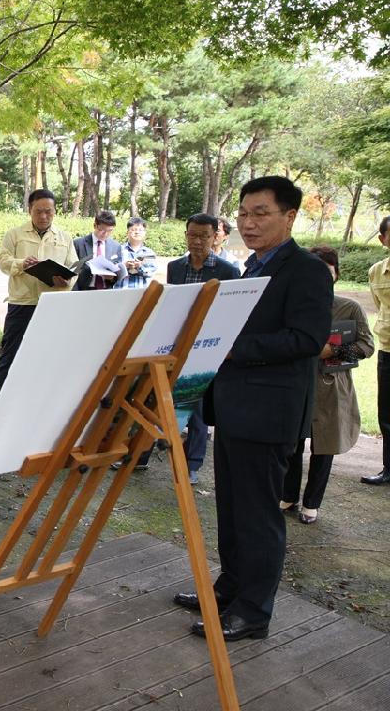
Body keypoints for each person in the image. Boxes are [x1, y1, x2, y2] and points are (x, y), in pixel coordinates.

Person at [175, 176, 331, 642]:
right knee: (232, 507)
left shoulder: (306, 271)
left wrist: (230, 348)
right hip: (236, 409)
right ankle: (229, 588)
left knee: (260, 515)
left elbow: (307, 340)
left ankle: (254, 612)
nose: (249, 222)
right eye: (243, 214)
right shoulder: (251, 269)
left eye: (261, 213)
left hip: (270, 414)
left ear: (290, 216)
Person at [280, 246, 373, 523]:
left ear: (336, 274)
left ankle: (312, 504)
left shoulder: (349, 307)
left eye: (328, 270)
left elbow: (366, 346)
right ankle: (288, 495)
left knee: (324, 447)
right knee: (292, 444)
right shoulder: (294, 305)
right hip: (298, 383)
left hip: (331, 387)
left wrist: (331, 351)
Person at [159, 213, 240, 481]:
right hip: (178, 341)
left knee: (199, 404)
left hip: (207, 345)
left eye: (203, 236)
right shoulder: (176, 266)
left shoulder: (228, 271)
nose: (197, 241)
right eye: (192, 235)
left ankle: (192, 464)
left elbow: (231, 313)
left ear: (215, 237)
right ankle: (155, 452)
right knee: (170, 398)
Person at [0, 188, 76, 416]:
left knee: (49, 353)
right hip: (22, 301)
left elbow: (74, 268)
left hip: (53, 304)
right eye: (38, 211)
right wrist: (23, 264)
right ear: (29, 210)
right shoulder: (15, 234)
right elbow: (3, 260)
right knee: (10, 352)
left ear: (55, 211)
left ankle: (42, 402)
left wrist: (66, 281)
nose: (43, 216)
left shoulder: (64, 237)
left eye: (49, 212)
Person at [363, 215, 390, 486]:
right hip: (388, 349)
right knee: (387, 415)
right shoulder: (376, 272)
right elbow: (379, 307)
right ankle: (387, 469)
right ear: (383, 240)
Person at [72, 210, 122, 291]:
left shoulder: (116, 246)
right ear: (95, 225)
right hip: (83, 290)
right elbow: (72, 271)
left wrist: (112, 277)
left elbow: (118, 273)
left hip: (106, 291)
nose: (105, 234)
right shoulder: (78, 244)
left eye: (109, 231)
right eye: (102, 230)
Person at [117, 216, 157, 289]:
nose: (137, 232)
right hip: (122, 291)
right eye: (133, 230)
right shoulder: (118, 250)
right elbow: (113, 271)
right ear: (127, 232)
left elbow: (151, 272)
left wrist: (140, 267)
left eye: (140, 230)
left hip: (142, 292)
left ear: (144, 233)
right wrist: (124, 266)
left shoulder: (149, 253)